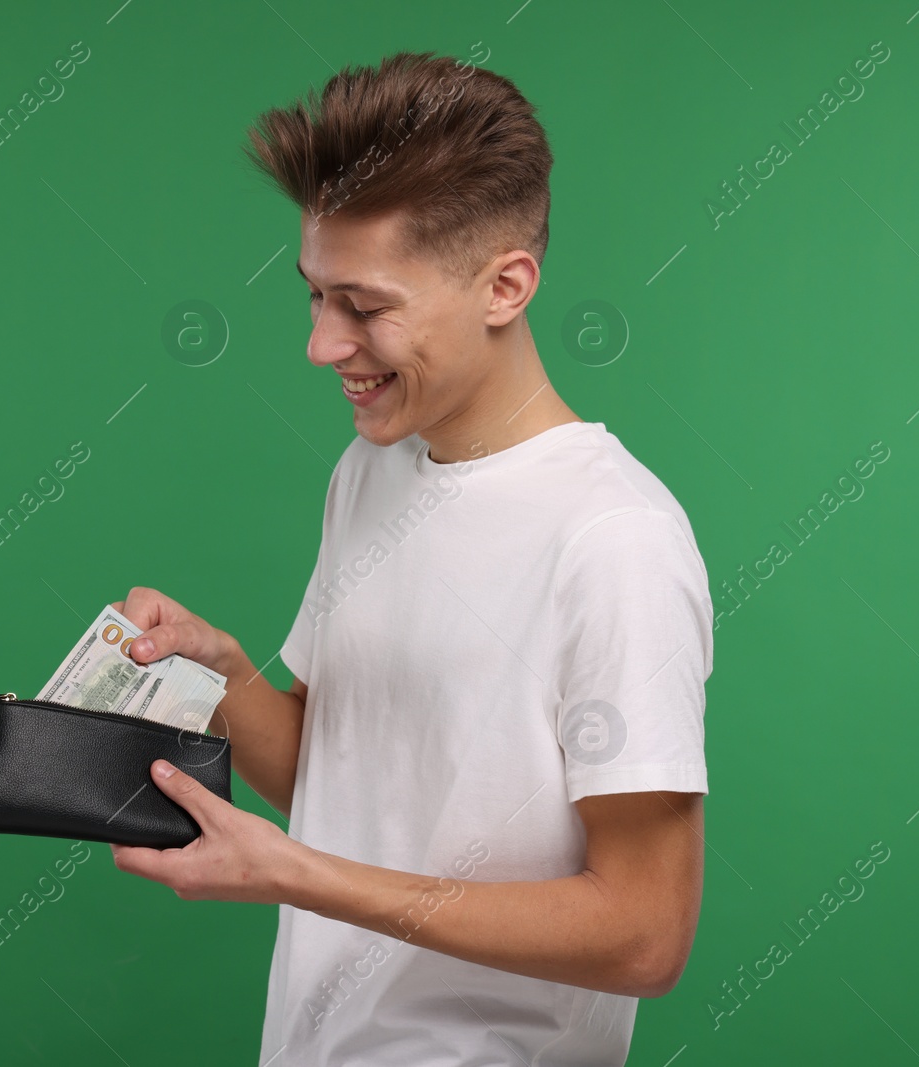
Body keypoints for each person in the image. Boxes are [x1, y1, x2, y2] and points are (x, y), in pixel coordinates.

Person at [109, 50, 713, 1065]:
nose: (319, 345)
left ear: (505, 284)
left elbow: (645, 934)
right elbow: (341, 779)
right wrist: (222, 673)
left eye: (365, 306)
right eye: (313, 296)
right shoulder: (370, 472)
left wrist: (298, 875)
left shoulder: (615, 541)